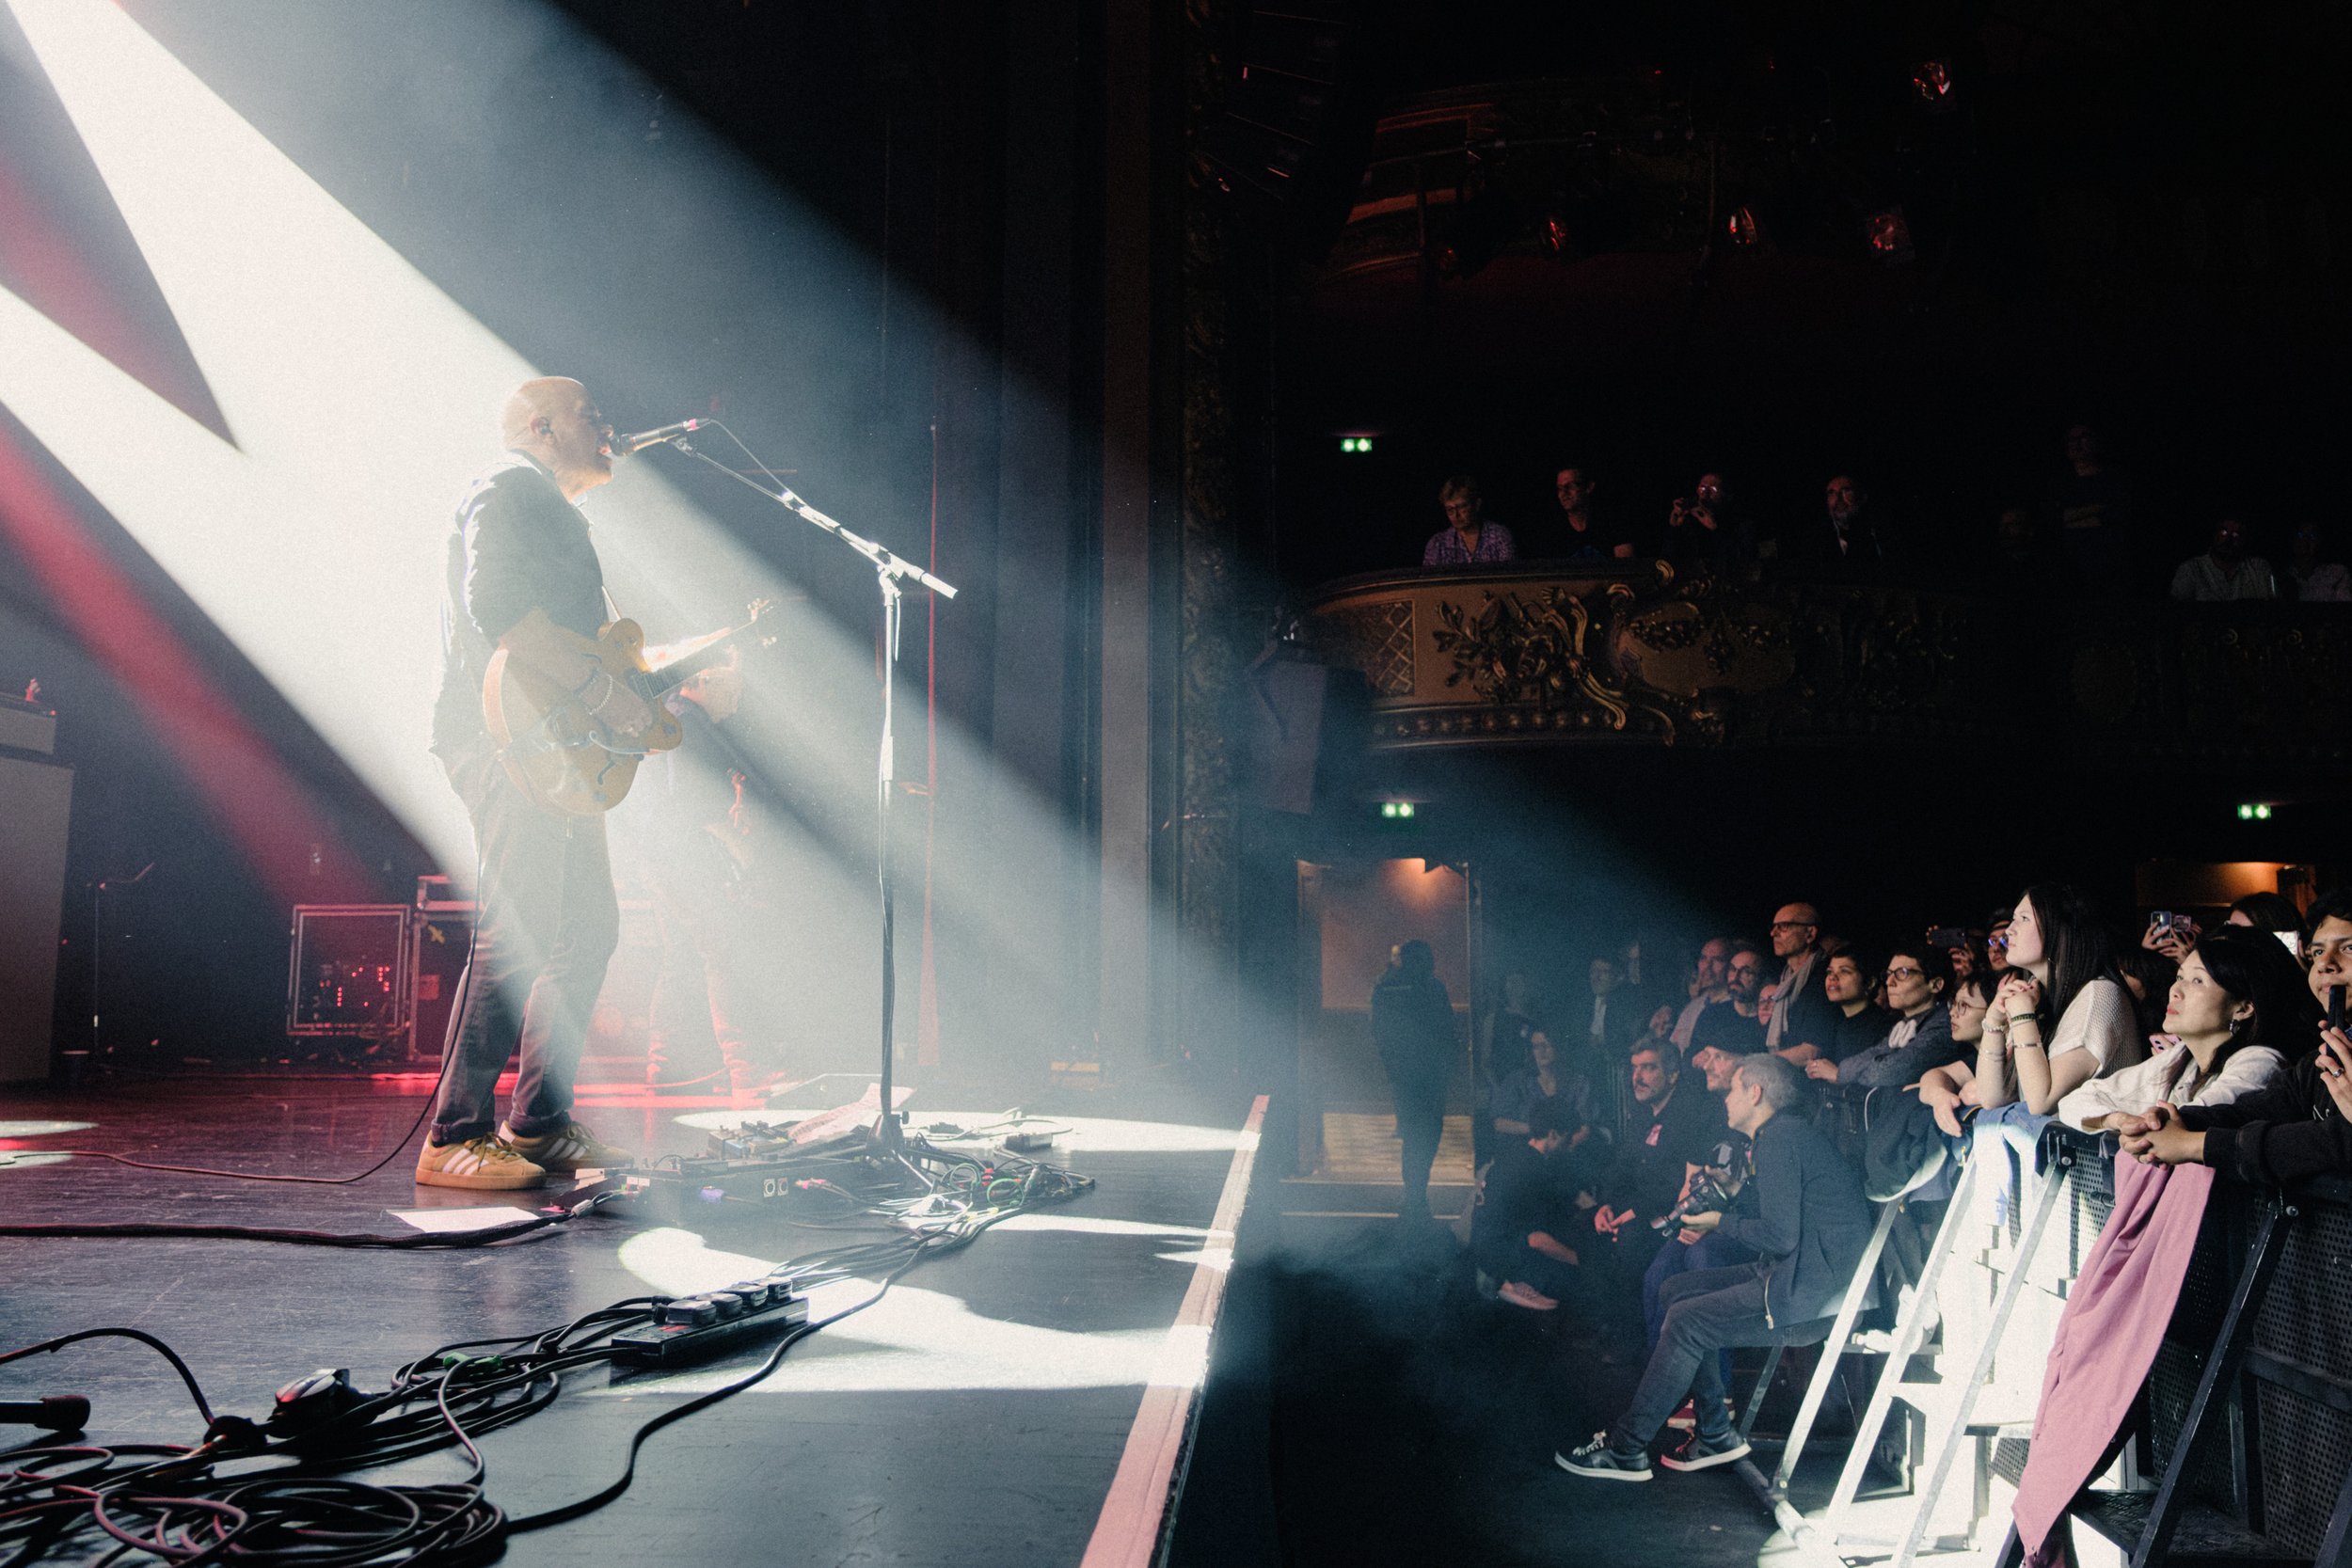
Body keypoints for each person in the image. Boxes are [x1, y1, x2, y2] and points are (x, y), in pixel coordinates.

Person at [420, 377, 645, 1189]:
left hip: (554, 743)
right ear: (543, 427)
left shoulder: (547, 502)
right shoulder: (510, 482)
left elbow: (571, 643)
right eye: (593, 413)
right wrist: (598, 695)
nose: (609, 425)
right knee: (518, 925)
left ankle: (540, 1121)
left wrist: (625, 692)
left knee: (587, 925)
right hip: (501, 732)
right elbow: (496, 602)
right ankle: (453, 1133)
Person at [1557, 1053, 1873, 1481]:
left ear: (1756, 1093)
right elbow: (1780, 1223)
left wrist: (1719, 1221)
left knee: (1688, 1319)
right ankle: (1715, 1433)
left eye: (1734, 1088)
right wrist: (1735, 1191)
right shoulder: (1781, 1136)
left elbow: (1780, 1236)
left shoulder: (1780, 1139)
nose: (1726, 1097)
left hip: (1813, 1293)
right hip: (1802, 1276)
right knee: (1675, 1290)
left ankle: (1626, 1447)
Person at [2120, 888, 2352, 1183]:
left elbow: (2330, 1142)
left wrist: (2192, 1144)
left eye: (2348, 948)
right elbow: (2267, 1107)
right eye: (2318, 951)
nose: (2325, 963)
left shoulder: (2263, 1058)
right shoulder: (2322, 1055)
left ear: (2244, 1007)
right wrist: (2172, 1121)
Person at [1915, 883, 2137, 1126]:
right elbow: (1992, 1097)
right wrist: (1993, 1021)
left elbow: (2041, 1101)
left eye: (2023, 919)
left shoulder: (2099, 995)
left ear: (2060, 930)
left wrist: (2021, 1015)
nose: (2010, 930)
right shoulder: (2038, 997)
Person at [2058, 927, 2298, 1132]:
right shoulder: (2182, 1057)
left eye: (2197, 981)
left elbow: (2189, 1119)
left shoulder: (2261, 1062)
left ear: (2243, 1008)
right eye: (2179, 976)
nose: (2175, 990)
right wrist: (2116, 1120)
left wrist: (2144, 1123)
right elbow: (2075, 1101)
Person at [1475, 1098, 1601, 1311]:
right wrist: (1586, 1264)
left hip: (1484, 1251)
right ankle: (1508, 1286)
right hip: (1502, 1260)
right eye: (1567, 1138)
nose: (1569, 1145)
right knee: (1578, 1282)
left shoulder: (1514, 1155)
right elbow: (1537, 1240)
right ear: (1553, 1134)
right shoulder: (1537, 1173)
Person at [1371, 940, 1457, 1222]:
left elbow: (1379, 1032)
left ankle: (1415, 1193)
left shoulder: (1391, 988)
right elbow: (1448, 1032)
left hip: (1410, 1076)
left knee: (1416, 1137)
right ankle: (1416, 1193)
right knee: (1424, 1135)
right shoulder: (1428, 989)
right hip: (1425, 1077)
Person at [1817, 947, 1963, 1089]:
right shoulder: (1906, 1023)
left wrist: (1841, 1073)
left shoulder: (1945, 1025)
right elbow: (1875, 1052)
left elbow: (1887, 1071)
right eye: (1889, 974)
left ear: (1936, 985)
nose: (1889, 982)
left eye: (1902, 973)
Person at [2056, 423, 2135, 595]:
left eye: (2082, 437)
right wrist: (2097, 509)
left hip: (2110, 562)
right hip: (2069, 564)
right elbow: (2056, 519)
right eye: (2071, 439)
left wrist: (2076, 517)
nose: (2075, 444)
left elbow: (2118, 515)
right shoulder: (2059, 481)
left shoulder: (2114, 478)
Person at [1766, 902, 1840, 1065]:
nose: (1773, 933)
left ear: (1810, 934)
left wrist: (1759, 1063)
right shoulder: (1786, 980)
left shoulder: (1824, 977)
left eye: (1783, 926)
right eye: (1773, 927)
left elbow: (1812, 1051)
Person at [1658, 471, 1754, 574]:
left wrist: (1715, 529)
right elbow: (1666, 565)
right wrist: (1674, 528)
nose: (1705, 493)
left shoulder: (1741, 523)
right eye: (1702, 488)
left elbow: (1745, 562)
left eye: (1713, 490)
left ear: (1726, 496)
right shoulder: (1690, 520)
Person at [2169, 517, 2277, 602]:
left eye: (2236, 534)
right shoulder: (2191, 569)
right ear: (2215, 535)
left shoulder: (2259, 569)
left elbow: (2270, 607)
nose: (2228, 539)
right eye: (2223, 532)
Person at [1690, 946, 1770, 1056]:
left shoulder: (1769, 1020)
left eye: (1746, 972)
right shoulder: (1712, 1015)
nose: (1735, 977)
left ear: (1762, 978)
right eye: (1733, 969)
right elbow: (1691, 1059)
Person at [1422, 476, 1517, 567]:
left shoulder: (1499, 537)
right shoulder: (1437, 544)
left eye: (1462, 507)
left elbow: (1508, 580)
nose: (1456, 515)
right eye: (1450, 510)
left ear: (1476, 505)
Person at [1553, 467, 1636, 562]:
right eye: (1560, 489)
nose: (1564, 493)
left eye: (1571, 486)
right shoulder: (1553, 530)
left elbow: (1626, 568)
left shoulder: (1612, 523)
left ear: (1588, 487)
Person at [1671, 937, 1735, 1056]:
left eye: (1717, 960)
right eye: (1703, 959)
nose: (1707, 966)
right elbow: (1675, 1048)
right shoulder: (1693, 1007)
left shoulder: (1737, 1007)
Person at [2283, 519, 2352, 602]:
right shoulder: (2282, 576)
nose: (2305, 541)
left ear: (2319, 541)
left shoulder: (2337, 573)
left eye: (2312, 536)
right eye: (2300, 535)